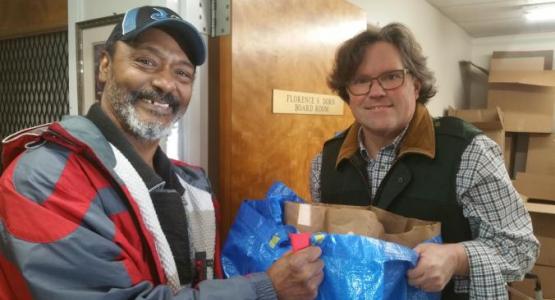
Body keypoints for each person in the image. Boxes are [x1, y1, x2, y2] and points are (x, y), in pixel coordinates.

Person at [0, 6, 323, 300]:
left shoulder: (191, 184)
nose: (166, 84)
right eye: (146, 61)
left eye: (182, 73)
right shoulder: (45, 179)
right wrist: (265, 289)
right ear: (104, 66)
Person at [310, 23, 538, 299]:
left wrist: (456, 257)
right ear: (348, 94)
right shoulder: (326, 161)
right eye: (360, 81)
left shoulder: (469, 153)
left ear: (416, 85)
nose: (376, 91)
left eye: (391, 77)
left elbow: (520, 248)